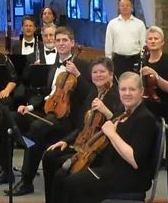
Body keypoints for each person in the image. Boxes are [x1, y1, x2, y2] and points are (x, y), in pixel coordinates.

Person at [48, 72, 159, 203]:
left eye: (132, 89)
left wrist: (112, 134)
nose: (127, 93)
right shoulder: (124, 112)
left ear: (141, 92)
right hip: (112, 167)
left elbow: (135, 161)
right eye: (123, 89)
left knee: (73, 183)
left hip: (129, 177)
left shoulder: (145, 119)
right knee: (61, 175)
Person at [8, 26, 93, 196]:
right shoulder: (54, 66)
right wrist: (30, 107)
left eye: (64, 40)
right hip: (50, 113)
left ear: (72, 43)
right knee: (12, 117)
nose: (61, 43)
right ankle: (13, 162)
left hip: (68, 119)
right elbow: (50, 94)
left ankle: (27, 180)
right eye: (58, 40)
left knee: (37, 129)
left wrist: (77, 76)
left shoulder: (83, 65)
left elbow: (90, 94)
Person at [39, 58, 122, 200]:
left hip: (98, 149)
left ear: (111, 74)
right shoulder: (92, 94)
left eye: (102, 71)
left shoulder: (117, 96)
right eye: (95, 72)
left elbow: (120, 124)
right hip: (81, 143)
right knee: (49, 156)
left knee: (61, 174)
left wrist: (105, 110)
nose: (98, 75)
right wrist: (65, 141)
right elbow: (80, 127)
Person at [105, 0, 146, 77]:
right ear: (119, 7)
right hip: (118, 60)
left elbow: (143, 43)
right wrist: (108, 61)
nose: (125, 7)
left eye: (127, 5)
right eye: (122, 5)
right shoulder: (112, 23)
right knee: (118, 83)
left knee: (134, 83)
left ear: (132, 7)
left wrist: (142, 60)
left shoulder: (139, 24)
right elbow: (108, 44)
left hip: (135, 59)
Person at [139, 26, 168, 104]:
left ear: (162, 42)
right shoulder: (144, 60)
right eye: (150, 39)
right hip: (146, 100)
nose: (153, 41)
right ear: (146, 43)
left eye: (156, 39)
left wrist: (155, 74)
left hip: (163, 102)